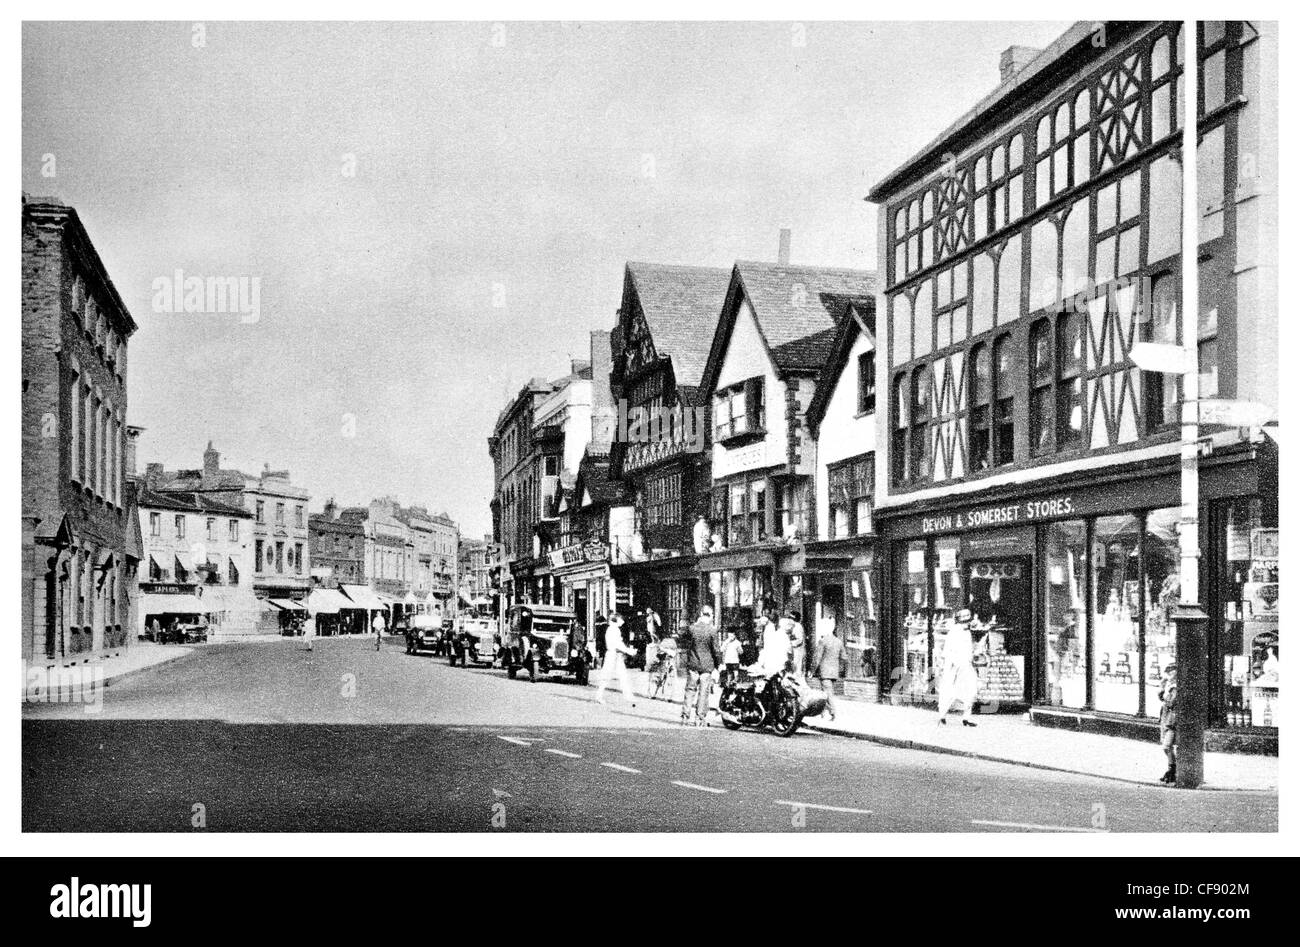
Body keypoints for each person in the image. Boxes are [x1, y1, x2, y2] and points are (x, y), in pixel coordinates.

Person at [937, 608, 983, 726]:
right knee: (950, 689)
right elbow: (948, 650)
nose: (967, 623)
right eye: (965, 621)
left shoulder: (967, 632)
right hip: (955, 665)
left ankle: (966, 717)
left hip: (966, 664)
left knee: (971, 688)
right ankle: (942, 715)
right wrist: (951, 665)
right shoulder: (954, 632)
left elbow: (968, 648)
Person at [682, 606, 722, 726]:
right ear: (711, 615)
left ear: (701, 614)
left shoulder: (692, 628)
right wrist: (718, 665)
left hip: (693, 664)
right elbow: (716, 650)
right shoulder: (712, 630)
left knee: (690, 690)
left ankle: (685, 717)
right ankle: (699, 718)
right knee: (703, 693)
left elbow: (686, 645)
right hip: (707, 666)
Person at [595, 612, 635, 706]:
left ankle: (628, 696)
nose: (622, 621)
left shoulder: (613, 629)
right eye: (621, 619)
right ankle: (599, 696)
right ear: (616, 620)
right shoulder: (614, 630)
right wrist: (629, 651)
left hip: (616, 654)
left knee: (623, 675)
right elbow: (618, 644)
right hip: (612, 654)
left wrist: (627, 650)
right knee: (607, 676)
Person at [810, 624, 844, 721]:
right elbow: (844, 657)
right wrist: (839, 669)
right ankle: (823, 712)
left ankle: (832, 713)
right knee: (826, 692)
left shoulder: (823, 641)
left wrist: (812, 670)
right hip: (834, 672)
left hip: (825, 672)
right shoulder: (839, 642)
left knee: (827, 693)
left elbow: (818, 658)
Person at [1158, 662, 1178, 784]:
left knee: (1166, 746)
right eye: (1168, 671)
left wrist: (1166, 692)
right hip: (1166, 718)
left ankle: (1173, 769)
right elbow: (1161, 698)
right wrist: (1162, 685)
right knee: (1167, 747)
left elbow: (1171, 702)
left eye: (1172, 671)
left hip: (1172, 720)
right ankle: (1171, 770)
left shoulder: (1175, 687)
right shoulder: (1169, 685)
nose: (1169, 673)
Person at [786, 609, 807, 683]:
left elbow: (799, 640)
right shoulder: (793, 626)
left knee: (797, 669)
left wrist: (790, 643)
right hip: (794, 651)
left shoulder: (798, 626)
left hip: (798, 651)